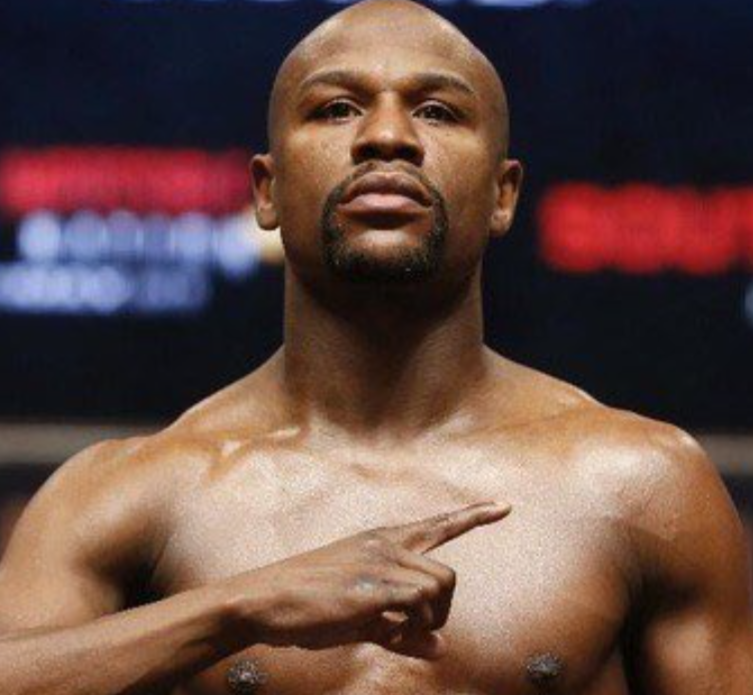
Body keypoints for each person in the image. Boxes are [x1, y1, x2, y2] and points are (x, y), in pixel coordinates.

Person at [0, 0, 751, 692]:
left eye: (436, 111)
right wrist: (236, 609)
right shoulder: (127, 493)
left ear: (502, 195)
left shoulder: (640, 484)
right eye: (336, 108)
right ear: (266, 191)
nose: (386, 136)